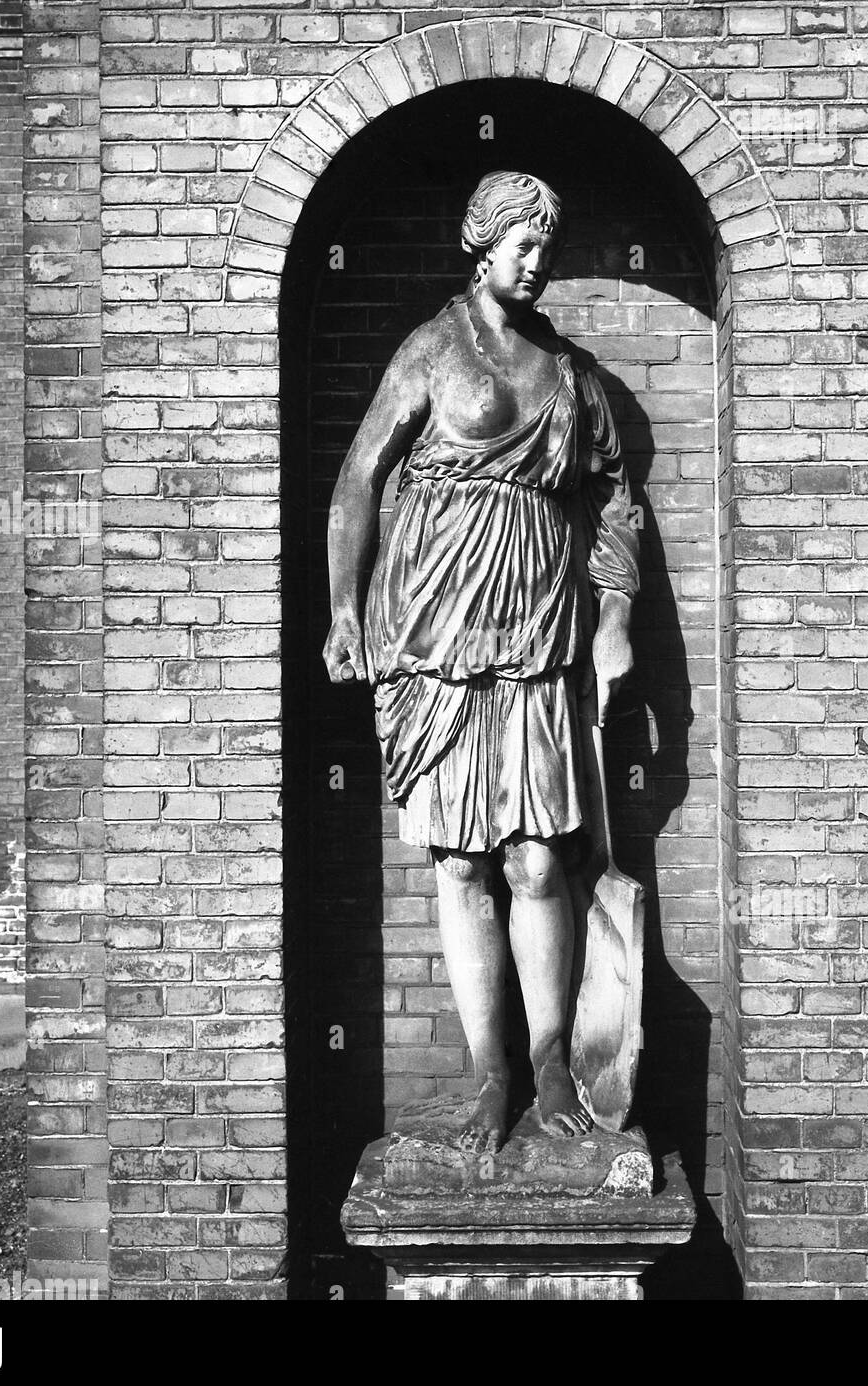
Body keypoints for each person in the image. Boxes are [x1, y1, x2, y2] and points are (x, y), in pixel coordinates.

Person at [323, 171, 639, 1153]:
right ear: (482, 244)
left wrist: (616, 617)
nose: (537, 263)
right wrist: (343, 608)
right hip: (436, 641)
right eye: (523, 245)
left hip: (540, 644)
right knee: (460, 856)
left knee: (540, 859)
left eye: (549, 247)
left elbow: (618, 506)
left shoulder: (572, 377)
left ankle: (550, 1065)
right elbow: (357, 482)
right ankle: (486, 1071)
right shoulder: (428, 351)